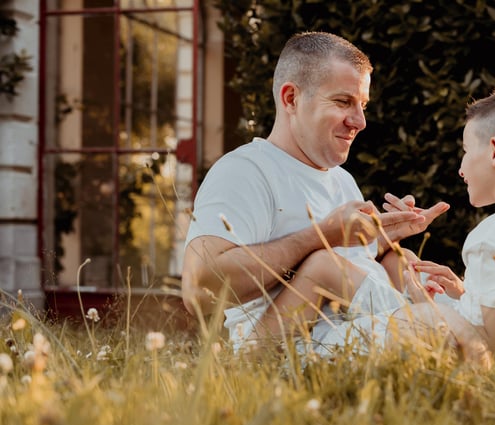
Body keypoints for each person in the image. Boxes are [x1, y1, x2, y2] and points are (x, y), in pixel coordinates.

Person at [257, 82, 495, 370]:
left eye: (465, 150)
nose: (460, 167)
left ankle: (251, 357)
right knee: (414, 267)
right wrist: (465, 294)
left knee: (326, 271)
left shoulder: (491, 237)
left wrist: (421, 305)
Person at [181, 31, 448, 353]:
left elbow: (345, 266)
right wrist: (322, 235)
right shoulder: (245, 171)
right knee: (446, 333)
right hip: (285, 356)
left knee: (454, 318)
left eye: (362, 105)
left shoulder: (342, 180)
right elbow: (199, 291)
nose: (360, 121)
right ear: (291, 98)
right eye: (342, 101)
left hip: (355, 337)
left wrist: (380, 240)